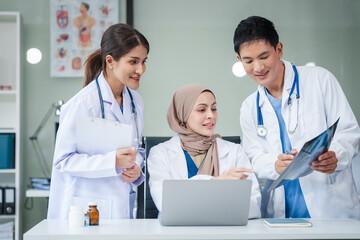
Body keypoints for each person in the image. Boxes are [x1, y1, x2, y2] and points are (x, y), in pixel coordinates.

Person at [233, 16, 360, 219]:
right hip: (281, 215)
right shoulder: (249, 107)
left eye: (264, 57)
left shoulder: (320, 79)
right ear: (240, 60)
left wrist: (336, 155)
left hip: (331, 210)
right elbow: (252, 157)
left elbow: (348, 131)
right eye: (248, 61)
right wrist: (274, 164)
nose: (258, 68)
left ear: (279, 49)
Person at [47, 23, 149, 219]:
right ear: (110, 61)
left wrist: (136, 168)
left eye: (144, 61)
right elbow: (62, 161)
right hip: (87, 208)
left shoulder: (136, 102)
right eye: (134, 61)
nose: (141, 70)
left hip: (121, 208)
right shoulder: (83, 103)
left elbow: (137, 149)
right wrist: (112, 161)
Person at [147, 84, 261, 219]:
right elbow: (166, 204)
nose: (211, 115)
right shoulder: (160, 153)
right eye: (201, 110)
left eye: (214, 109)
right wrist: (217, 184)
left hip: (226, 232)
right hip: (178, 233)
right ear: (182, 113)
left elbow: (253, 205)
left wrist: (193, 197)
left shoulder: (235, 151)